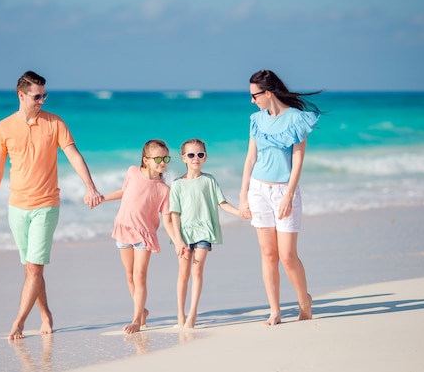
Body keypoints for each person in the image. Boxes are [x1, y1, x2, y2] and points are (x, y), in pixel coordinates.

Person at [0, 70, 103, 340]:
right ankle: (46, 314)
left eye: (44, 95)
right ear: (21, 95)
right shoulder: (4, 127)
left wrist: (90, 187)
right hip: (16, 208)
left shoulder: (55, 123)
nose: (42, 101)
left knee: (35, 268)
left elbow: (73, 154)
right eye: (37, 96)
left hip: (46, 205)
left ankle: (19, 322)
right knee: (30, 269)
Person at [238, 69, 322, 326]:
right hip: (258, 190)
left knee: (287, 255)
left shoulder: (298, 119)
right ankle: (274, 310)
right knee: (268, 254)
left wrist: (288, 195)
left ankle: (303, 300)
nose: (252, 100)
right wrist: (243, 195)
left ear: (268, 92)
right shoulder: (256, 119)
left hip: (284, 191)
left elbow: (298, 159)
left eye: (255, 95)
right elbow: (251, 157)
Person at [101, 139, 179, 334]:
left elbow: (168, 220)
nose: (163, 162)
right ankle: (142, 310)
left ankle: (136, 319)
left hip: (145, 236)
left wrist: (178, 241)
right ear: (146, 160)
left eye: (165, 158)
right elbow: (124, 192)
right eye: (158, 158)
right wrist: (102, 198)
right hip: (124, 228)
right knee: (129, 275)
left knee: (140, 275)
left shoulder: (164, 190)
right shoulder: (132, 172)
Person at [169, 138, 240, 328]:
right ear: (184, 158)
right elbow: (174, 214)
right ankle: (180, 315)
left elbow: (222, 203)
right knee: (183, 274)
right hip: (183, 234)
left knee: (197, 269)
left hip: (204, 230)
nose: (195, 158)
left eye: (200, 154)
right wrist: (177, 240)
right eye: (191, 155)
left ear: (205, 157)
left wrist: (239, 212)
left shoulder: (209, 180)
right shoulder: (177, 184)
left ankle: (192, 314)